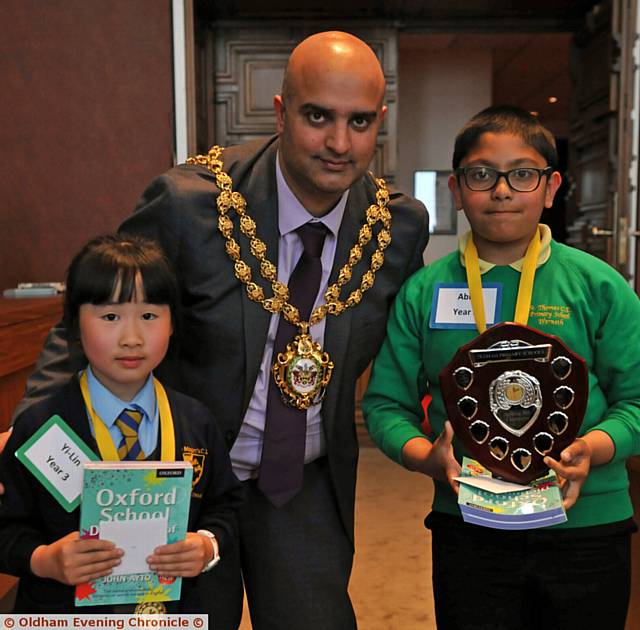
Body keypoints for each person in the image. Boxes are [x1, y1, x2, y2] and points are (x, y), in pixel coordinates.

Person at [11, 31, 429, 628]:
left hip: (301, 483)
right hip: (186, 481)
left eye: (360, 122)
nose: (340, 143)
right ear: (282, 113)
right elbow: (92, 313)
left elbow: (412, 348)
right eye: (318, 117)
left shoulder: (397, 228)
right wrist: (29, 432)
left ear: (379, 121)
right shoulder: (190, 205)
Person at [363, 106, 640, 630]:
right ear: (456, 188)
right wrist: (426, 457)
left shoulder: (597, 285)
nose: (502, 190)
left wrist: (593, 449)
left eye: (523, 174)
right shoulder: (426, 291)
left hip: (587, 524)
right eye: (482, 174)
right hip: (469, 523)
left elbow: (637, 401)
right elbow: (384, 404)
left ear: (551, 186)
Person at [0, 234, 243, 614]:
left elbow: (226, 505)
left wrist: (207, 545)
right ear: (74, 325)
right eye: (110, 317)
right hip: (65, 616)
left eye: (149, 316)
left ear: (173, 324)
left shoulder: (196, 421)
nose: (132, 338)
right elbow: (7, 529)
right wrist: (44, 559)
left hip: (169, 616)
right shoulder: (41, 429)